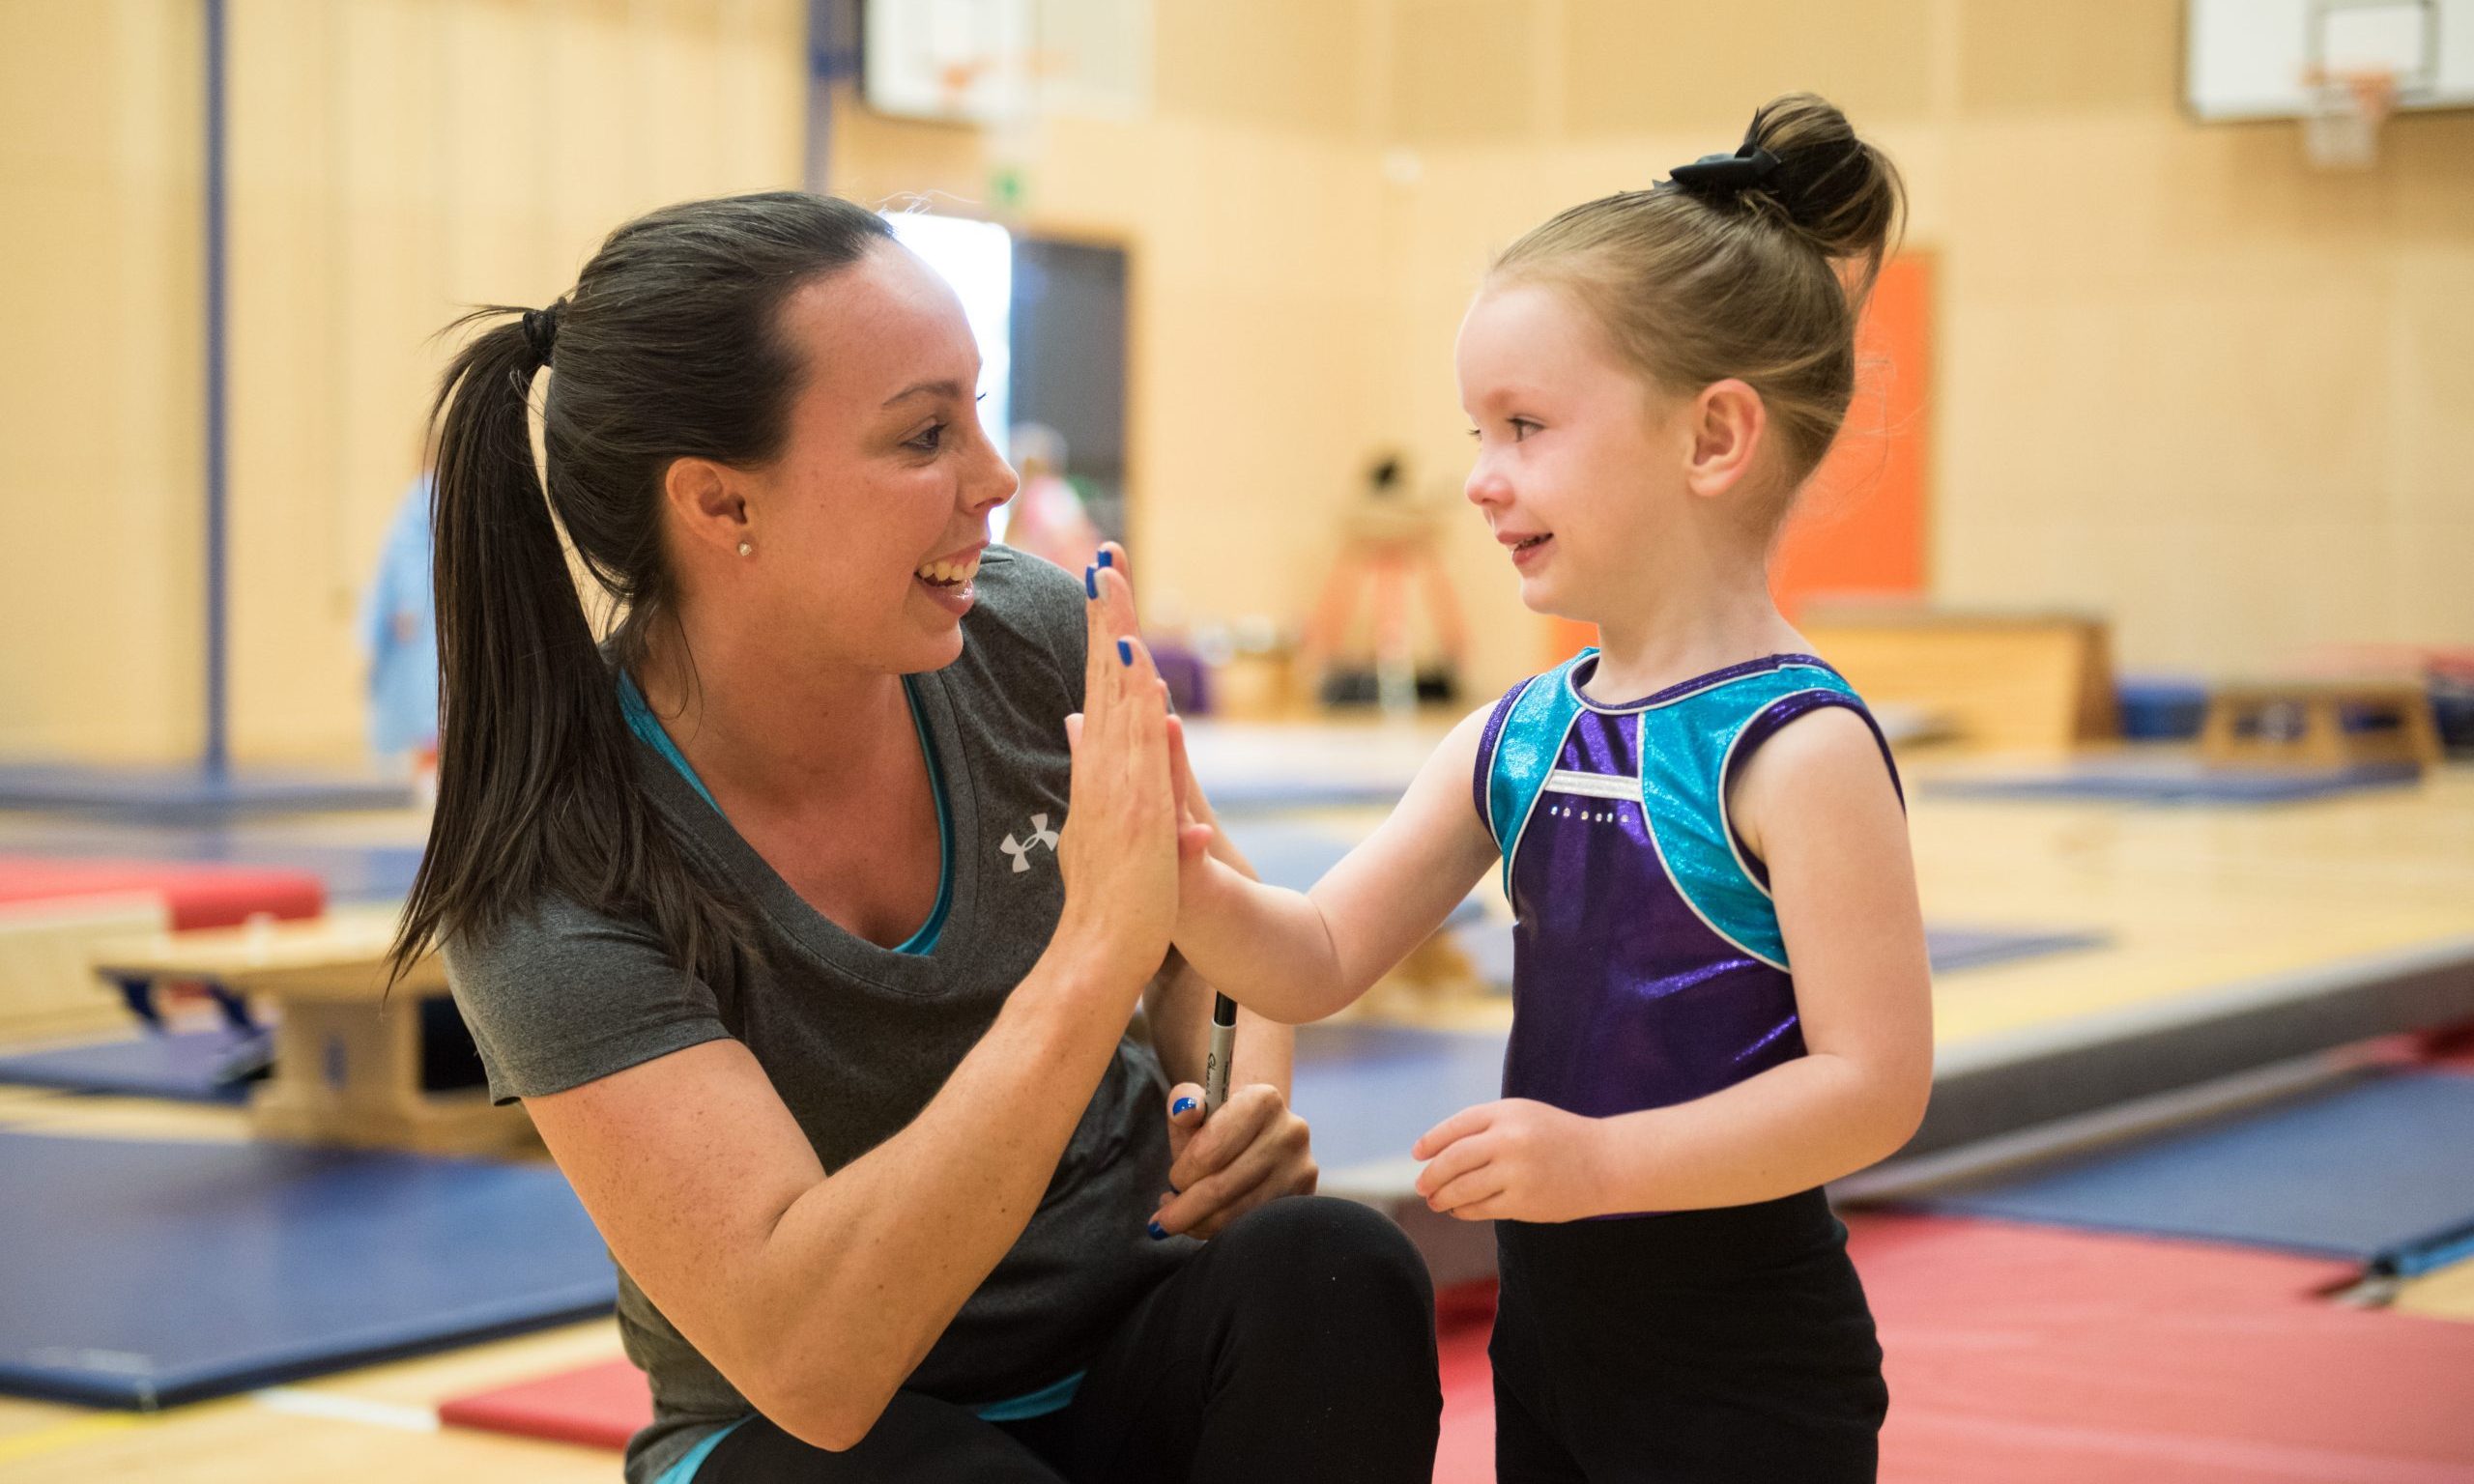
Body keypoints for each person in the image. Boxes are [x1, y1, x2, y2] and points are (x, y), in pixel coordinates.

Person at [391, 191, 1441, 1484]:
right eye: (925, 436)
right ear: (722, 508)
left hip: (1124, 1336)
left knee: (1331, 1270)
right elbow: (813, 1364)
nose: (997, 482)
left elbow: (1201, 946)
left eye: (979, 415)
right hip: (814, 1427)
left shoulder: (1035, 638)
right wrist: (1085, 963)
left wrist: (1233, 1104)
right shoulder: (553, 861)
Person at [1160, 96, 1933, 1482]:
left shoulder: (1797, 749)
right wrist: (1169, 865)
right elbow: (1318, 956)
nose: (1477, 480)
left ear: (1712, 440)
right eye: (1476, 430)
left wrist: (1602, 1167)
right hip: (1556, 1338)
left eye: (1523, 426)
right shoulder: (1516, 737)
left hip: (1748, 1370)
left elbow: (1875, 1087)